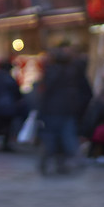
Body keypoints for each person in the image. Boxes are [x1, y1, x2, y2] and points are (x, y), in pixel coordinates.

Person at [38, 44, 93, 175]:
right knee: (67, 135)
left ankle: (51, 161)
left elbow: (45, 92)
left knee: (53, 137)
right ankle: (67, 160)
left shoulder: (53, 72)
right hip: (68, 109)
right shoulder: (73, 72)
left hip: (53, 110)